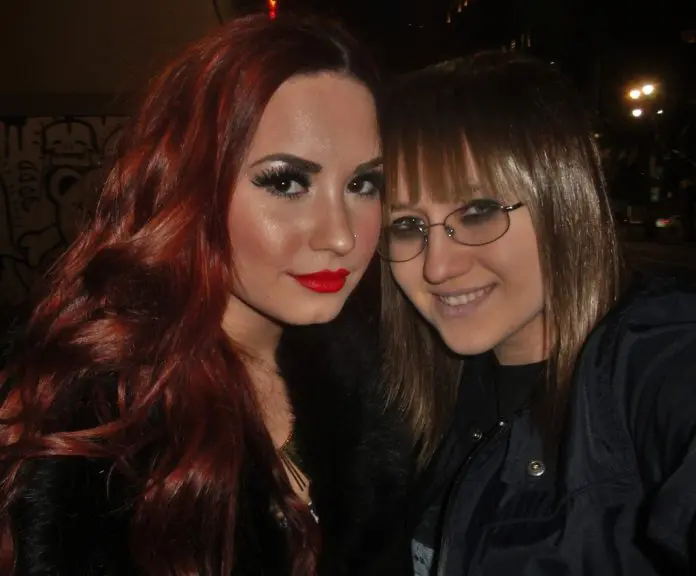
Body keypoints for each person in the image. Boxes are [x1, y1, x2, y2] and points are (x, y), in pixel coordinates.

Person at [0, 13, 408, 576]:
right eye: (287, 181)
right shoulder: (89, 417)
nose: (340, 235)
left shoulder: (382, 380)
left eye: (363, 183)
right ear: (192, 185)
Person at [378, 52, 696, 575]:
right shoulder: (418, 394)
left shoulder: (649, 356)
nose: (437, 266)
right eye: (408, 225)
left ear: (562, 202)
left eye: (478, 211)